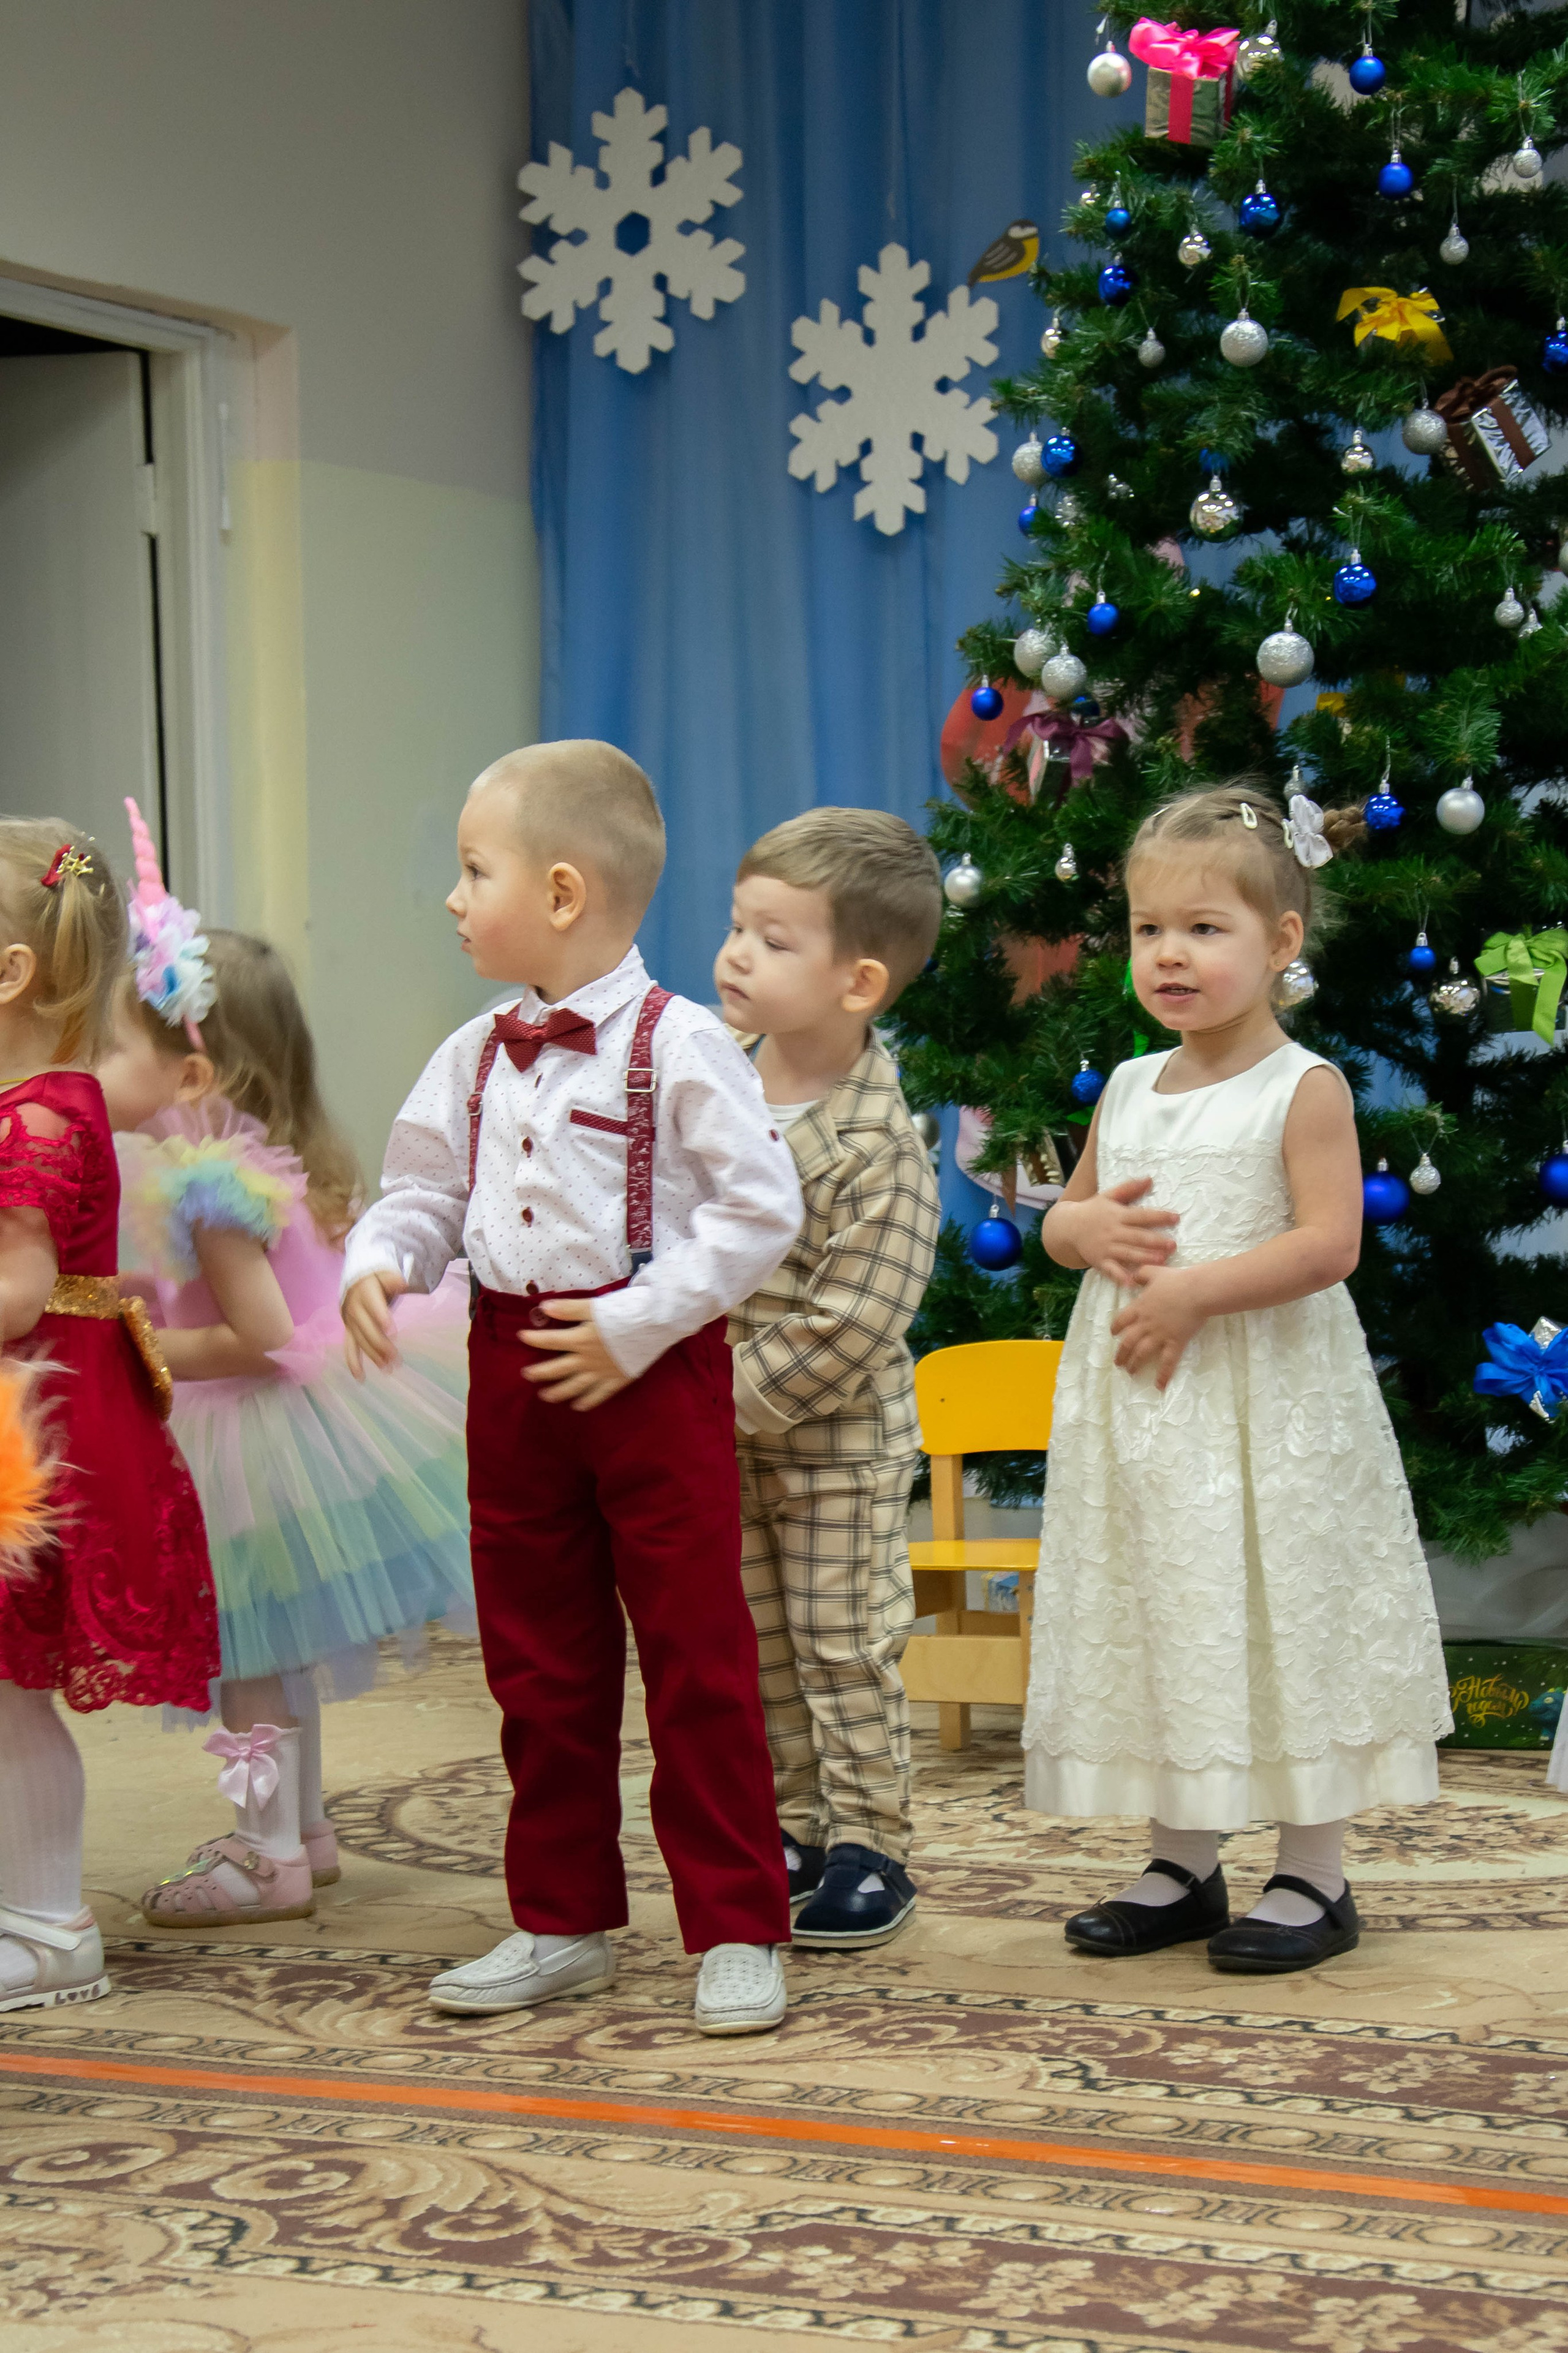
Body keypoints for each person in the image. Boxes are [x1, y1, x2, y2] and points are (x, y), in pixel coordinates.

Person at [341, 742, 804, 2034]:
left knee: (695, 1653)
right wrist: (384, 1259)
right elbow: (423, 1189)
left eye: (470, 870)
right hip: (510, 1375)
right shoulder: (474, 1052)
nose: (451, 896)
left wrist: (640, 1317)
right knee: (537, 1658)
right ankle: (559, 1917)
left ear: (557, 892)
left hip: (649, 1375)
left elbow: (761, 1210)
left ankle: (734, 1923)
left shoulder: (684, 1043)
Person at [1025, 782, 1452, 1974]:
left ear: (1278, 944)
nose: (1167, 953)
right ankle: (1181, 1858)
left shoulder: (1299, 1087)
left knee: (1274, 1610)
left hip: (1264, 1408)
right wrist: (1084, 1241)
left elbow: (1329, 1243)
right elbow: (1064, 1221)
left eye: (1202, 929)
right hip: (1150, 1418)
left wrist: (1194, 1290)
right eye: (1146, 929)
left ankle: (1313, 1871)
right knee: (1170, 1608)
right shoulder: (1123, 1087)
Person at [97, 803, 472, 1928]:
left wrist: (141, 1347)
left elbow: (259, 1332)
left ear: (191, 1066)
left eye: (115, 1046)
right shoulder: (263, 1158)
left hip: (251, 1425)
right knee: (274, 1640)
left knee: (242, 1649)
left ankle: (266, 1850)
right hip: (300, 1420)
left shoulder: (211, 1181)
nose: (97, 1065)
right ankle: (298, 1830)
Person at [0, 820, 217, 2011]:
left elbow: (21, 1293)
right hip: (43, 1403)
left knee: (5, 1684)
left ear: (12, 972)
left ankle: (45, 1925)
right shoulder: (55, 1092)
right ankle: (26, 1907)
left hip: (34, 1428)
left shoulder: (31, 1115)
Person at [714, 809, 941, 1947]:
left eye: (773, 938)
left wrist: (714, 1398)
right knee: (755, 1643)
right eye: (738, 926)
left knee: (842, 1641)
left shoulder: (879, 1144)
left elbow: (852, 1323)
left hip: (835, 1448)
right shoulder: (715, 1086)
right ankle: (792, 1827)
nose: (736, 954)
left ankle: (871, 1843)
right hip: (722, 1442)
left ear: (858, 982)